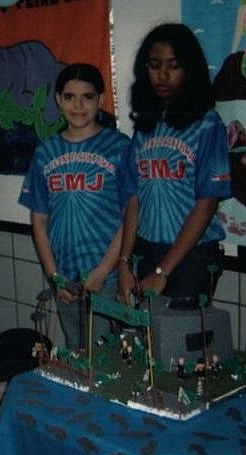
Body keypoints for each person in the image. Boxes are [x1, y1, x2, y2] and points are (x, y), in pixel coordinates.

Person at [118, 23, 231, 304]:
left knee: (180, 330)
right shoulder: (145, 126)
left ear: (189, 69)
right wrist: (124, 262)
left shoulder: (207, 125)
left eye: (174, 66)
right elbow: (134, 199)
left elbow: (207, 204)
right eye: (155, 65)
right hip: (146, 248)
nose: (163, 75)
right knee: (148, 330)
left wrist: (163, 271)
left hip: (192, 254)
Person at [19, 63, 130, 349]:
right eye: (69, 97)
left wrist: (102, 272)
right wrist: (54, 276)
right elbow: (39, 220)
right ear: (58, 100)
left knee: (105, 357)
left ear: (100, 99)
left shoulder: (119, 147)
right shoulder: (45, 152)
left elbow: (130, 216)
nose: (78, 106)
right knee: (75, 353)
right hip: (65, 279)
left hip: (107, 277)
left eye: (87, 97)